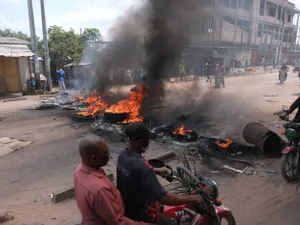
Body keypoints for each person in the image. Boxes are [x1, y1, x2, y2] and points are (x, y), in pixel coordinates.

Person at [117, 122, 203, 225]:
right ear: (142, 141)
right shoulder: (144, 169)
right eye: (147, 139)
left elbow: (134, 172)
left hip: (128, 206)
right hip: (143, 214)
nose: (148, 142)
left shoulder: (123, 155)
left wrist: (155, 171)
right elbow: (164, 198)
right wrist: (192, 198)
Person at [74, 135, 154, 225]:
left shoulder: (79, 171)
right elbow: (119, 222)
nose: (108, 155)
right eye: (105, 153)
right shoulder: (100, 189)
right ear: (94, 157)